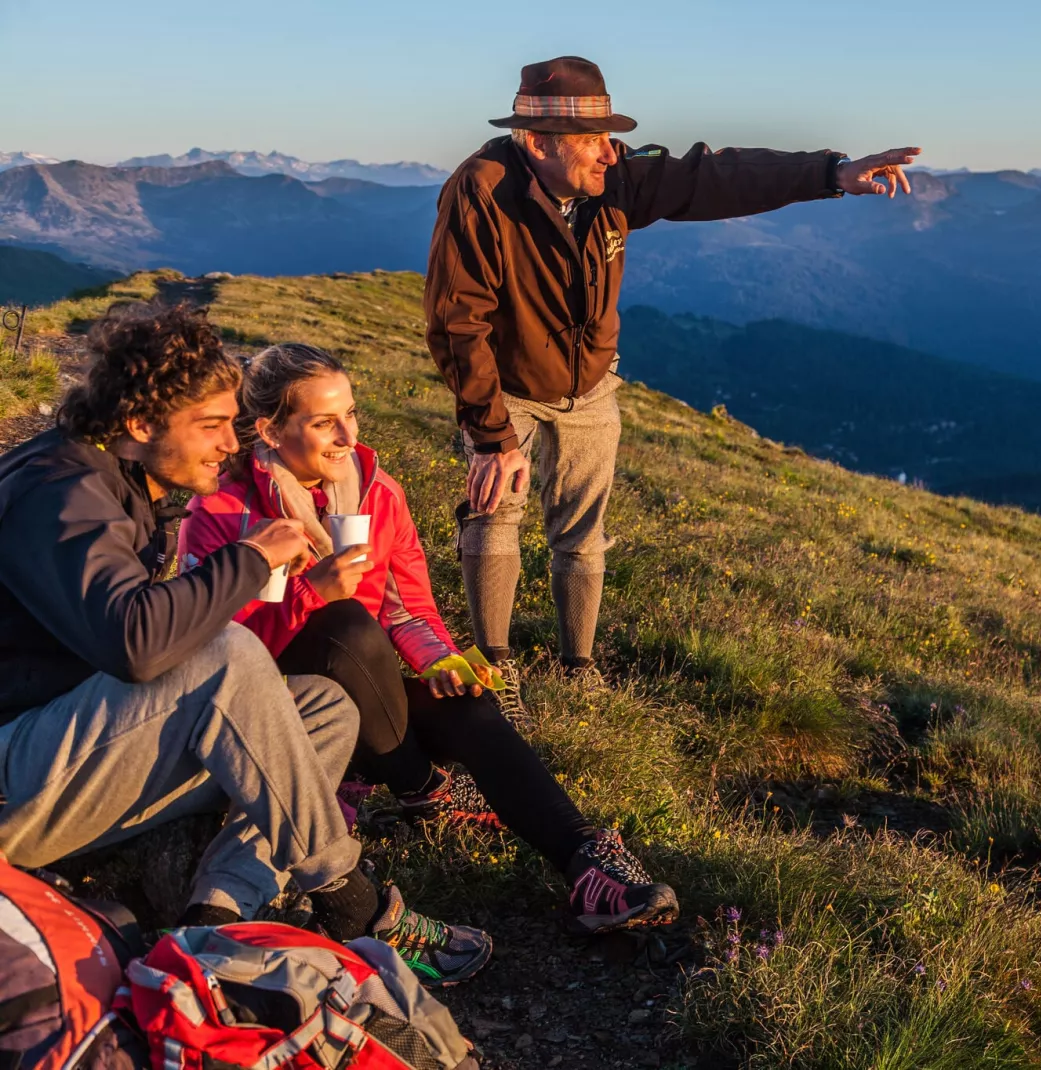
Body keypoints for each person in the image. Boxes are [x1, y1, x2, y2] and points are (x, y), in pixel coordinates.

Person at [0, 304, 491, 987]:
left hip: (77, 753)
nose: (227, 446)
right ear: (140, 425)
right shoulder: (62, 491)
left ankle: (218, 922)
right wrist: (252, 560)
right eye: (208, 427)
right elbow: (137, 644)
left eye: (229, 426)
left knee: (323, 709)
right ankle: (356, 901)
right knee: (225, 654)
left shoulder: (119, 484)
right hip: (16, 781)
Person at [426, 55, 920, 700]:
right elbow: (457, 320)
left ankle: (579, 669)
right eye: (591, 140)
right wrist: (490, 437)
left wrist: (833, 172)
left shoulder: (618, 177)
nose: (609, 153)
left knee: (581, 529)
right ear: (538, 141)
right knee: (494, 513)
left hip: (591, 382)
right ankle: (495, 667)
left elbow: (712, 176)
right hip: (509, 384)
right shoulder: (482, 189)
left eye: (610, 136)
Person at [178, 342, 678, 933]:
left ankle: (585, 862)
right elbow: (217, 648)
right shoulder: (222, 510)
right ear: (270, 429)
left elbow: (409, 608)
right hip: (283, 712)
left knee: (466, 701)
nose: (347, 435)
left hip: (371, 699)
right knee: (344, 624)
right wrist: (312, 592)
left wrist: (441, 661)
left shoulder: (375, 492)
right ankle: (419, 786)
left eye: (351, 414)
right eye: (323, 422)